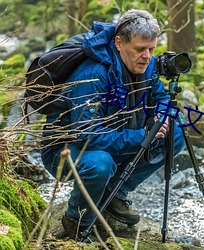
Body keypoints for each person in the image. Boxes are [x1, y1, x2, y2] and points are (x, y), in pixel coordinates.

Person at [41, 9, 185, 241]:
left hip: (116, 136)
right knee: (100, 164)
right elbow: (87, 135)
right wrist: (142, 135)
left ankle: (115, 193)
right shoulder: (92, 75)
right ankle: (76, 221)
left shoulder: (146, 65)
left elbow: (162, 98)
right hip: (66, 150)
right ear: (119, 43)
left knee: (175, 133)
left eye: (152, 49)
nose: (147, 56)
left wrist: (162, 116)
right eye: (140, 49)